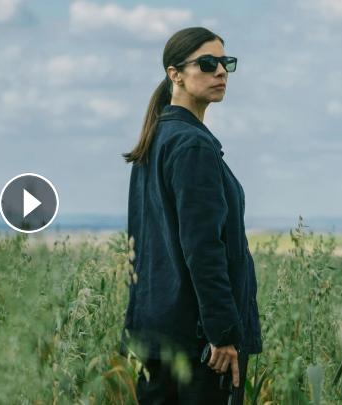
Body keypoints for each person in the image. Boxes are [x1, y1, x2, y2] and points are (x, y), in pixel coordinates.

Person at [121, 27, 263, 404]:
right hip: (201, 347)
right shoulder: (192, 146)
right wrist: (223, 333)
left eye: (225, 62)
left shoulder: (157, 140)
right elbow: (203, 248)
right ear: (176, 74)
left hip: (155, 336)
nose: (221, 71)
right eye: (207, 63)